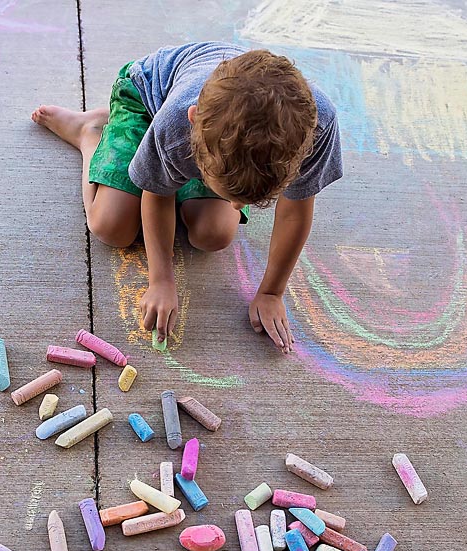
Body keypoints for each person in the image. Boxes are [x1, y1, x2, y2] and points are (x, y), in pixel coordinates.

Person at [32, 42, 342, 354]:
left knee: (214, 234)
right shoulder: (176, 123)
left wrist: (272, 292)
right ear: (194, 124)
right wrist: (161, 281)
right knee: (111, 227)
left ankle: (173, 169)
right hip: (145, 97)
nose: (238, 206)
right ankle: (91, 133)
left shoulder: (315, 128)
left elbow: (295, 210)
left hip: (213, 134)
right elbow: (157, 193)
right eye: (233, 195)